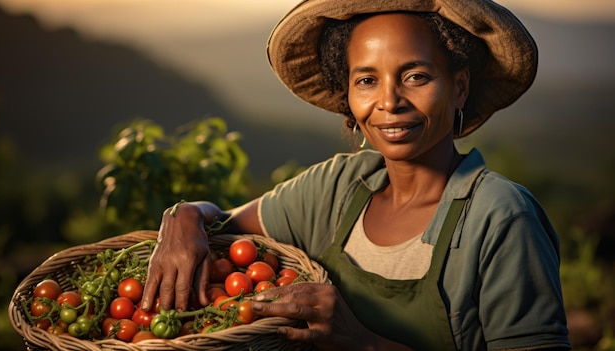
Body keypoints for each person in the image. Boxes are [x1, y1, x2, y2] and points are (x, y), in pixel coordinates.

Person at [141, 0, 571, 350]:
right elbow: (222, 223)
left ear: (458, 87)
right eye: (367, 80)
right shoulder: (336, 187)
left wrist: (363, 342)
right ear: (348, 93)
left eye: (416, 76)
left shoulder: (500, 216)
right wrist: (184, 217)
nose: (389, 101)